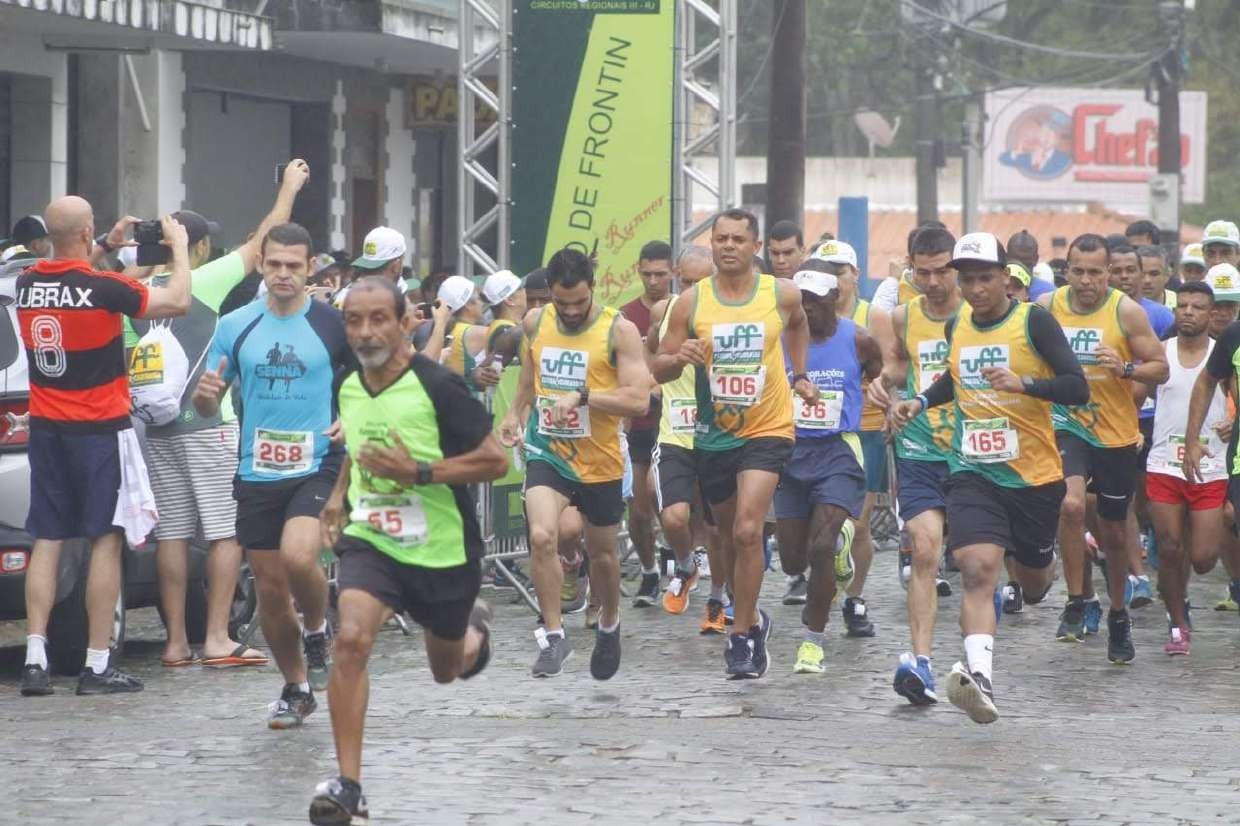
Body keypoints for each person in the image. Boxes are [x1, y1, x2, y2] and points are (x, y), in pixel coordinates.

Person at [309, 278, 507, 826]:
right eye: (354, 320)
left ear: (404, 323)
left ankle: (473, 635)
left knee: (446, 670)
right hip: (372, 537)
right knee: (350, 639)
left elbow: (496, 462)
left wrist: (419, 472)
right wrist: (335, 498)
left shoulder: (439, 386)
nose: (366, 331)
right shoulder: (349, 382)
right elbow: (360, 440)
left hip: (441, 550)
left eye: (378, 319)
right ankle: (349, 787)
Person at [889, 232, 1088, 723]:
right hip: (972, 469)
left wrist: (1027, 384)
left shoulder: (1034, 322)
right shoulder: (959, 322)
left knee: (1036, 583)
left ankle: (1042, 567)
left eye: (984, 278)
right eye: (968, 279)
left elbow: (1077, 387)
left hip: (1034, 477)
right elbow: (953, 380)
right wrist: (921, 401)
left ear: (1005, 277)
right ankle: (980, 678)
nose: (975, 289)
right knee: (976, 568)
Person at [135, 159, 309, 671]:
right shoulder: (199, 282)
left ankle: (173, 644)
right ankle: (215, 637)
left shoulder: (133, 291)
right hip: (207, 425)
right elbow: (262, 246)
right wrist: (289, 189)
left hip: (158, 427)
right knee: (225, 532)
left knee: (170, 534)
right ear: (199, 247)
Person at [18, 199, 192, 697]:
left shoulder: (30, 282)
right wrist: (177, 249)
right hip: (98, 429)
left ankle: (35, 659)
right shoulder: (104, 288)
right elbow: (177, 300)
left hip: (49, 428)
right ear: (87, 229)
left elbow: (71, 274)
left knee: (48, 539)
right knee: (105, 541)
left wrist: (109, 246)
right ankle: (96, 665)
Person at [192, 222, 353, 728]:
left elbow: (371, 382)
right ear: (263, 265)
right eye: (275, 265)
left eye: (294, 266)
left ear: (309, 270)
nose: (283, 274)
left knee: (300, 555)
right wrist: (204, 398)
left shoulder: (332, 325)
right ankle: (296, 686)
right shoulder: (235, 324)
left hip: (316, 462)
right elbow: (206, 401)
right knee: (269, 592)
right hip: (257, 468)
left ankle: (319, 628)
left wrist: (353, 417)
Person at [653, 208, 816, 679]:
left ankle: (741, 634)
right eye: (720, 238)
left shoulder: (780, 293)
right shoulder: (690, 303)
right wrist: (678, 357)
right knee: (727, 534)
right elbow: (658, 368)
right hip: (714, 433)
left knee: (747, 530)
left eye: (737, 239)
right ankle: (753, 618)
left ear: (755, 246)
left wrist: (799, 373)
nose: (727, 246)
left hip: (768, 427)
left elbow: (799, 324)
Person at [497, 248, 652, 679]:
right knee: (543, 535)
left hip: (598, 459)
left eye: (578, 303)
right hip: (549, 450)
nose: (568, 311)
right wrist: (514, 412)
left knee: (602, 554)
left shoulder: (617, 330)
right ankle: (553, 635)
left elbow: (638, 399)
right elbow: (530, 376)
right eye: (560, 303)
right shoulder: (535, 322)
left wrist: (583, 397)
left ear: (592, 290)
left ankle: (608, 623)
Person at [1038, 233, 1168, 663]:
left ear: (1109, 272)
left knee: (1114, 533)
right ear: (1067, 270)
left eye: (1096, 272)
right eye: (1079, 271)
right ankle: (1078, 598)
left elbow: (1160, 369)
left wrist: (1126, 367)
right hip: (1066, 424)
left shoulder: (1125, 312)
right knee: (1071, 505)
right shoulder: (1046, 309)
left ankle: (1117, 613)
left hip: (1113, 433)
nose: (1087, 281)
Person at [868, 226, 960, 704]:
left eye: (942, 270)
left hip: (978, 454)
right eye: (922, 272)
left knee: (979, 564)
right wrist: (883, 387)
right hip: (921, 447)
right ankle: (921, 664)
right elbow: (901, 369)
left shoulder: (980, 313)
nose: (933, 281)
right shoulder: (902, 317)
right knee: (924, 550)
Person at [780, 265, 882, 675]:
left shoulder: (856, 338)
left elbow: (877, 372)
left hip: (838, 450)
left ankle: (813, 642)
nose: (806, 311)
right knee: (791, 561)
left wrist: (874, 394)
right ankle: (835, 547)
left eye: (814, 304)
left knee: (821, 549)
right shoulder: (782, 340)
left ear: (833, 300)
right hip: (790, 453)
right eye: (799, 303)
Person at [796, 240, 890, 636]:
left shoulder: (873, 319)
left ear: (852, 275)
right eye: (827, 267)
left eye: (841, 268)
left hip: (859, 433)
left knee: (859, 524)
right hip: (803, 439)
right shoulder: (797, 318)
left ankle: (853, 598)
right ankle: (826, 575)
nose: (836, 275)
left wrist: (885, 399)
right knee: (815, 537)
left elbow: (886, 371)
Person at [1142, 282, 1229, 656]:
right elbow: (1138, 399)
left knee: (1203, 558)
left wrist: (1231, 420)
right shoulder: (1161, 354)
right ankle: (1177, 622)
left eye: (1198, 307)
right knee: (1170, 547)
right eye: (1183, 306)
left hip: (1211, 466)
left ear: (1212, 315)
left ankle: (1183, 595)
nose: (1188, 312)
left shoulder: (1222, 354)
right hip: (1165, 464)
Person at [645, 246, 721, 624]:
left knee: (720, 528)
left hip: (719, 434)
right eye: (686, 282)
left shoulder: (727, 315)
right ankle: (686, 563)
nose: (691, 290)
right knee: (674, 518)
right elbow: (651, 353)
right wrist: (654, 379)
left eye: (700, 282)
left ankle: (721, 602)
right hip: (675, 431)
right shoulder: (665, 312)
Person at [620, 240, 673, 605]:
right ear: (638, 270)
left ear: (673, 273)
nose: (653, 281)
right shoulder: (624, 317)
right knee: (639, 507)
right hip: (639, 421)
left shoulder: (685, 310)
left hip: (677, 422)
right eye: (647, 273)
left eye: (661, 274)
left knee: (673, 506)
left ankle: (683, 560)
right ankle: (651, 570)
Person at [435, 275, 496, 389]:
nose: (482, 303)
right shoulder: (476, 333)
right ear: (468, 305)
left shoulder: (451, 329)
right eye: (479, 298)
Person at [481, 269, 527, 364]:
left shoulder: (501, 326)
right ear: (510, 299)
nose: (525, 291)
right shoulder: (504, 331)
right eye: (521, 287)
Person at [1007, 230, 1054, 300]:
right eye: (1017, 262)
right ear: (1006, 257)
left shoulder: (1050, 294)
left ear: (1036, 259)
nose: (1021, 268)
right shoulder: (996, 290)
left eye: (1026, 263)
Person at [1139, 245, 1176, 309]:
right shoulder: (1122, 304)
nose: (1147, 280)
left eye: (1154, 274)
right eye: (1141, 274)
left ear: (1167, 275)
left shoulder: (1179, 303)